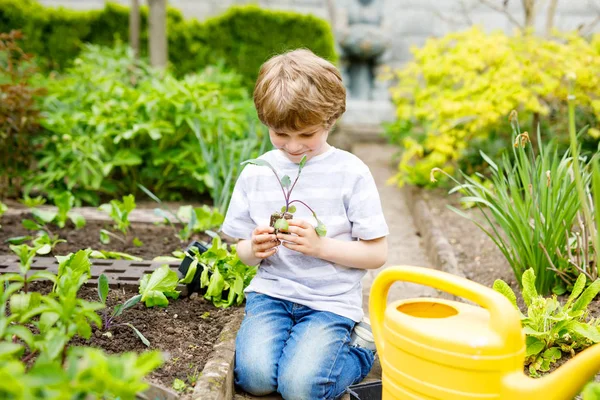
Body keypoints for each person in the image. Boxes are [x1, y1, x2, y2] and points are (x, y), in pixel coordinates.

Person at [222, 48, 389, 400]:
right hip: (272, 295)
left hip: (330, 303)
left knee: (300, 389)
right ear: (266, 123)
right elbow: (239, 250)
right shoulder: (257, 172)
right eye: (281, 134)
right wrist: (253, 249)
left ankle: (360, 349)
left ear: (330, 120)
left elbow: (377, 253)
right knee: (254, 379)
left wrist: (320, 247)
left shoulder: (351, 172)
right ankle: (309, 355)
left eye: (306, 135)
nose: (293, 147)